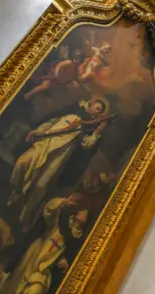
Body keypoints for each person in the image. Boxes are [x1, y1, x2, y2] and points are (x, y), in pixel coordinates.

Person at [10, 98, 112, 232]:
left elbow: (86, 145)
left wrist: (97, 131)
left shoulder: (88, 128)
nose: (98, 112)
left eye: (100, 112)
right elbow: (52, 121)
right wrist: (39, 131)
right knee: (22, 162)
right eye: (97, 108)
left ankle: (26, 216)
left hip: (59, 157)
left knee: (40, 185)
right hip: (44, 145)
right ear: (90, 105)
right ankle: (17, 191)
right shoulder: (73, 111)